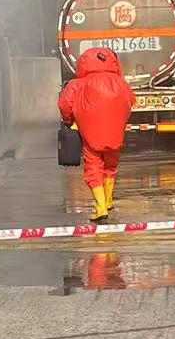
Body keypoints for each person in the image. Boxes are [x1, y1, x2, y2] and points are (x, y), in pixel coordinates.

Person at [57, 47, 136, 222]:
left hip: (90, 134)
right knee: (111, 166)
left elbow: (64, 104)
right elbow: (131, 100)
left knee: (93, 167)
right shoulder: (121, 83)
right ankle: (108, 200)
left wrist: (69, 121)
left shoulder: (77, 84)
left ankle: (100, 207)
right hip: (115, 132)